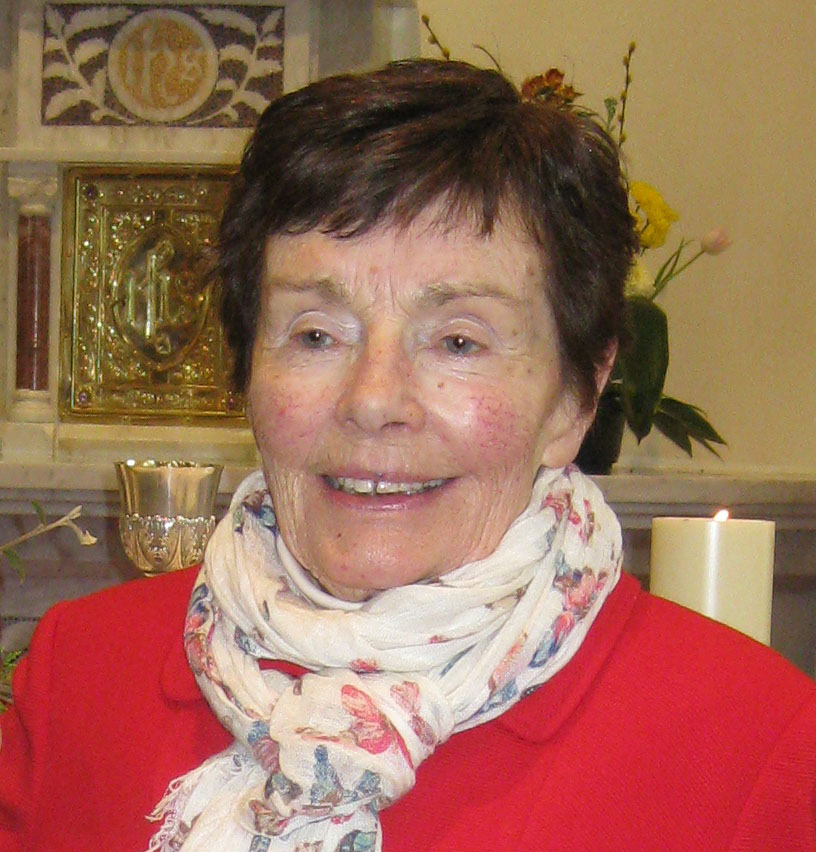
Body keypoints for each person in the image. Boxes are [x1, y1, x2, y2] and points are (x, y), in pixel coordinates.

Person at [1, 59, 814, 852]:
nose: (374, 399)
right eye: (315, 335)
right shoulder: (83, 680)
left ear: (575, 399)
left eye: (458, 341)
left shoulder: (754, 747)